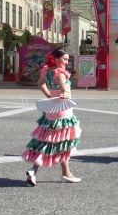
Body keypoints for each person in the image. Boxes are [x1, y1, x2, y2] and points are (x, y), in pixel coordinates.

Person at [21, 48, 81, 186]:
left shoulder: (47, 70)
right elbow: (65, 89)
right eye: (64, 59)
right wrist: (65, 94)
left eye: (67, 59)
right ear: (56, 59)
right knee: (63, 143)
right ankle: (65, 174)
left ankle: (35, 171)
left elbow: (40, 83)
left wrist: (49, 96)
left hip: (51, 110)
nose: (66, 62)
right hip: (63, 110)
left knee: (48, 141)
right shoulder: (60, 73)